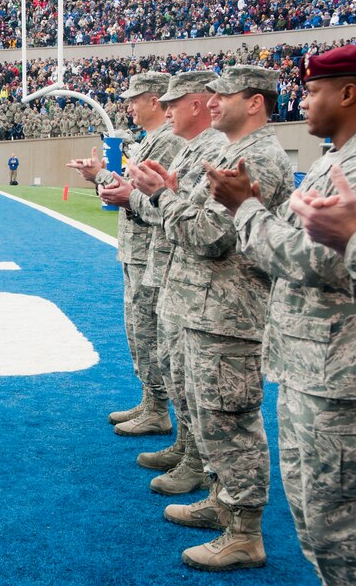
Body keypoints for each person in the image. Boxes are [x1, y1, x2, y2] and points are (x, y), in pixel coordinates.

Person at [208, 46, 356, 584]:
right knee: (318, 525)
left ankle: (243, 529)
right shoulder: (330, 159)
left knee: (339, 531)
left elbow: (311, 258)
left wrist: (242, 207)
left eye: (314, 90)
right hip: (310, 364)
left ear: (348, 92)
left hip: (337, 378)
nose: (304, 98)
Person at [137, 65, 292, 571]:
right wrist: (175, 198)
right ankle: (222, 505)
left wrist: (165, 197)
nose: (212, 103)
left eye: (225, 95)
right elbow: (197, 221)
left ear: (254, 102)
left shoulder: (261, 158)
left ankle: (245, 533)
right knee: (210, 416)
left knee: (232, 422)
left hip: (230, 313)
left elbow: (209, 235)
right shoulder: (231, 152)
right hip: (203, 306)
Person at [101, 71, 227, 496]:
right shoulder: (188, 147)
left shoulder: (200, 147)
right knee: (158, 350)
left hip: (190, 277)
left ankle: (195, 456)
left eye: (173, 102)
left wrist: (142, 196)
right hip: (163, 263)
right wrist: (119, 187)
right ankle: (179, 437)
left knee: (189, 373)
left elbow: (194, 220)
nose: (168, 110)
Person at [68, 72, 184, 436]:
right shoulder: (152, 139)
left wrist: (109, 182)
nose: (129, 105)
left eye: (136, 98)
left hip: (150, 249)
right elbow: (130, 190)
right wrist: (100, 176)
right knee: (139, 331)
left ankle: (158, 407)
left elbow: (140, 195)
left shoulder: (166, 142)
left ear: (155, 100)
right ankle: (152, 401)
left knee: (150, 332)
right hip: (137, 249)